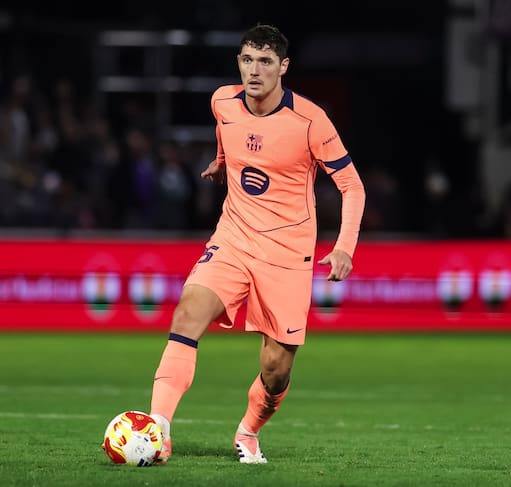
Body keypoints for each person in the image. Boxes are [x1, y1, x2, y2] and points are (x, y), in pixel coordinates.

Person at [147, 23, 366, 464]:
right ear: (239, 63)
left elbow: (352, 186)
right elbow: (226, 132)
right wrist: (221, 161)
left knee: (276, 368)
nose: (254, 70)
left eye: (265, 61)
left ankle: (248, 431)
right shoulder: (222, 101)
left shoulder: (311, 121)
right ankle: (156, 430)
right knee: (188, 311)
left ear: (283, 67)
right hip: (234, 237)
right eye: (247, 60)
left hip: (287, 254)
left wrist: (345, 247)